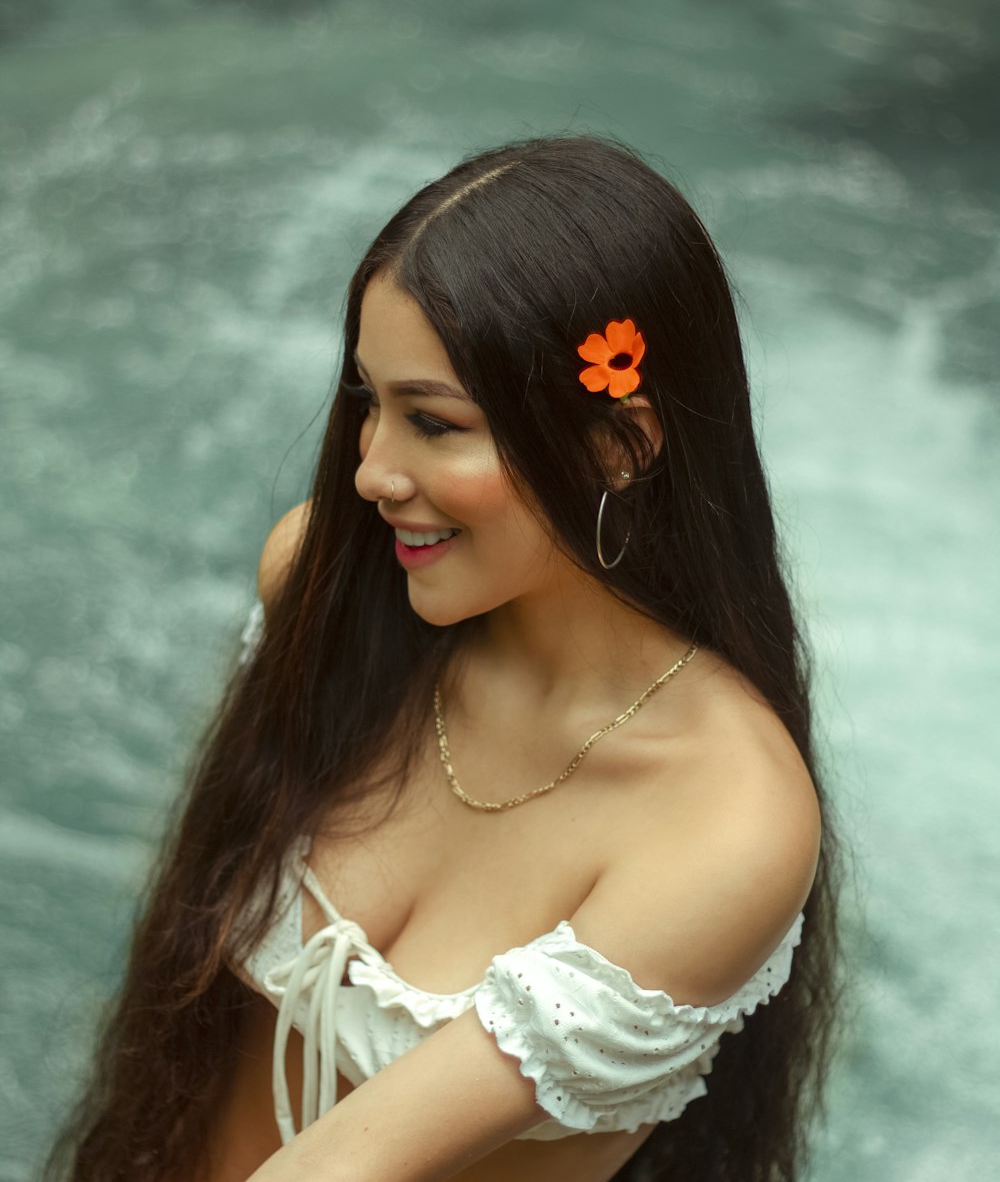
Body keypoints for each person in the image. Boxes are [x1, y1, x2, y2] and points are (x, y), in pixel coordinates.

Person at [47, 135, 848, 1182]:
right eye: (367, 401)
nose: (373, 469)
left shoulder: (724, 819)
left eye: (433, 421)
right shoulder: (329, 592)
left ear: (620, 443)